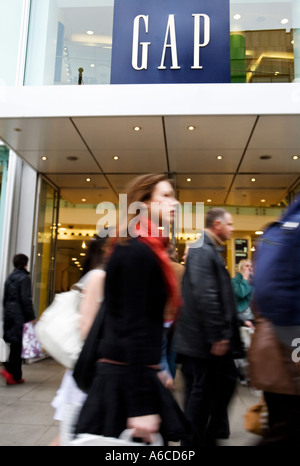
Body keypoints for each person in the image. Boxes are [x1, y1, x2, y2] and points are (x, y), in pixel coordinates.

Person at [74, 174, 195, 445]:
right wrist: (141, 406)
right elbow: (130, 325)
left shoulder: (145, 247)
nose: (174, 202)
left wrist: (157, 369)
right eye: (165, 195)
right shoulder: (136, 250)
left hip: (134, 373)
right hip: (125, 380)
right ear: (144, 203)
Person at [173, 208, 244, 446]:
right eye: (230, 224)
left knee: (206, 389)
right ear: (217, 224)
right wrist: (218, 335)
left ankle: (205, 435)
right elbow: (207, 295)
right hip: (203, 340)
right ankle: (194, 440)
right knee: (204, 391)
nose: (232, 229)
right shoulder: (202, 249)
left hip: (203, 339)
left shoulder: (206, 248)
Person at [50, 236, 109, 446]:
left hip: (90, 368)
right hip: (90, 369)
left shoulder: (100, 275)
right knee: (71, 436)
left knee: (72, 436)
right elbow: (86, 327)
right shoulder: (99, 276)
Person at [1, 254, 36, 385]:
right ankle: (10, 370)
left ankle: (15, 376)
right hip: (19, 316)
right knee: (18, 347)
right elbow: (26, 299)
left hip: (9, 315)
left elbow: (5, 300)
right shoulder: (24, 278)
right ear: (25, 263)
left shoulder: (10, 277)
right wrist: (31, 317)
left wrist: (7, 314)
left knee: (14, 346)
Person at [159, 243, 184, 390]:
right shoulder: (182, 269)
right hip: (177, 318)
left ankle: (165, 383)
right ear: (175, 254)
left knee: (161, 353)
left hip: (160, 316)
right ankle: (171, 381)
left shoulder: (158, 267)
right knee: (172, 354)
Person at [231, 259, 254, 326]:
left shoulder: (254, 281)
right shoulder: (234, 281)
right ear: (240, 269)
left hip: (254, 317)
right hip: (242, 319)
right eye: (247, 266)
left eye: (251, 266)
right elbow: (241, 293)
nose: (250, 268)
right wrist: (245, 279)